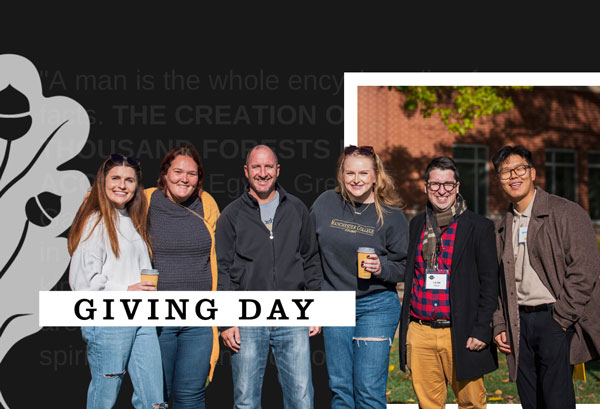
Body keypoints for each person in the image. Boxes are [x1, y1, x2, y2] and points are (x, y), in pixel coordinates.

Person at [491, 145, 600, 409]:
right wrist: (499, 324)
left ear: (533, 173)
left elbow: (585, 268)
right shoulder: (502, 226)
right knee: (530, 399)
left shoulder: (565, 212)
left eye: (519, 169)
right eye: (505, 172)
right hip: (519, 322)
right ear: (499, 180)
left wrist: (561, 319)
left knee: (556, 400)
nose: (513, 176)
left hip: (553, 319)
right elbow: (495, 281)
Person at [216, 144, 322, 409]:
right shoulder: (231, 214)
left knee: (301, 398)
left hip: (292, 313)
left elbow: (311, 259)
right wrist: (226, 321)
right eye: (256, 167)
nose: (262, 173)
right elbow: (224, 269)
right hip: (247, 316)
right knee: (246, 399)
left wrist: (316, 309)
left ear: (277, 170)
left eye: (268, 167)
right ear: (246, 171)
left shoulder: (297, 209)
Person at [310, 144, 408, 408]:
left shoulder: (391, 215)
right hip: (335, 304)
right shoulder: (325, 203)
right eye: (350, 173)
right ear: (342, 174)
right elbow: (310, 256)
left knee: (368, 389)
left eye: (363, 173)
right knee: (341, 389)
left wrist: (382, 268)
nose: (356, 179)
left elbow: (403, 267)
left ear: (376, 176)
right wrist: (315, 304)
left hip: (375, 305)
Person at [398, 156, 498, 409]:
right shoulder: (417, 224)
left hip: (461, 331)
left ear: (457, 187)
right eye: (435, 185)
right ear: (426, 187)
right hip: (420, 330)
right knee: (428, 404)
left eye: (447, 185)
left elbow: (489, 284)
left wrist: (482, 329)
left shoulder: (479, 227)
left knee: (471, 402)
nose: (441, 191)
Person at [68, 154, 166, 409]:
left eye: (129, 180)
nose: (122, 185)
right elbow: (82, 283)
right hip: (109, 320)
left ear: (137, 186)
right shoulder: (95, 221)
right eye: (115, 178)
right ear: (102, 182)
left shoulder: (133, 221)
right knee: (104, 398)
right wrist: (126, 290)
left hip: (141, 319)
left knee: (154, 401)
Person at [145, 144, 220, 409]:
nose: (184, 179)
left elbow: (220, 258)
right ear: (165, 173)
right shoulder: (144, 201)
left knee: (192, 396)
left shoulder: (207, 203)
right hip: (158, 318)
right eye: (177, 171)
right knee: (157, 396)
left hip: (199, 319)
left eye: (192, 174)